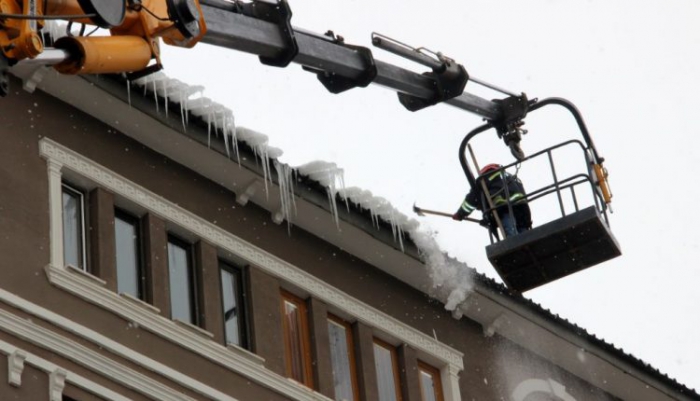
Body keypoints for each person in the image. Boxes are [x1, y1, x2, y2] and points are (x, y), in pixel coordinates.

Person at [453, 163, 531, 238]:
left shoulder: (484, 178)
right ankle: (528, 245)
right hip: (522, 208)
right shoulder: (510, 177)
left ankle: (515, 245)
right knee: (523, 232)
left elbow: (472, 199)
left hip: (505, 208)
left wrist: (460, 214)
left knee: (511, 233)